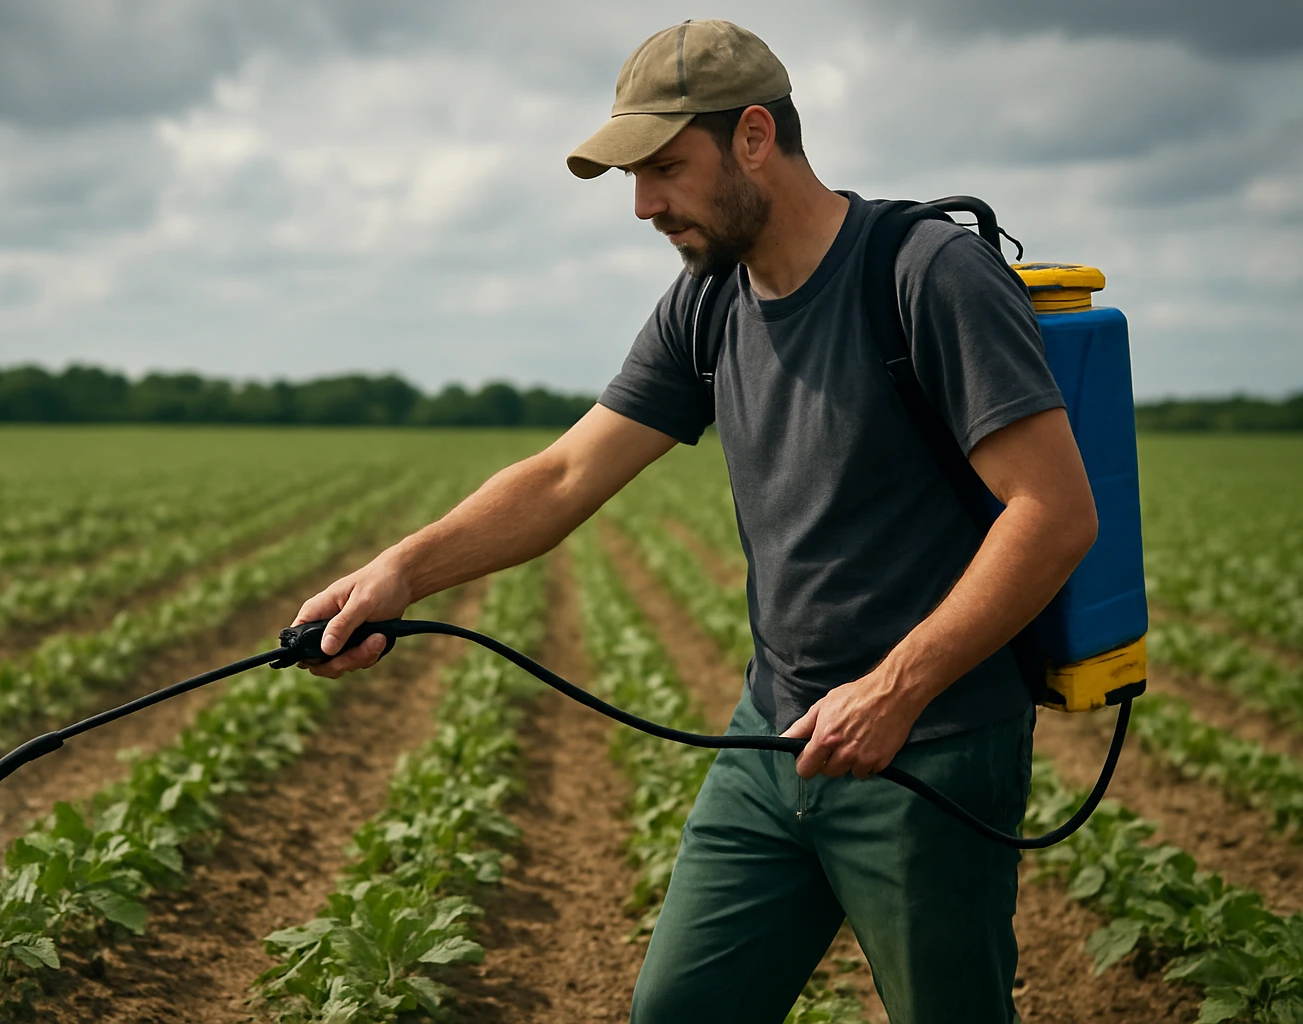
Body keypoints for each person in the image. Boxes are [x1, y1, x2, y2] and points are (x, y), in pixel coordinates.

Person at [287, 18, 1097, 1024]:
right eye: (635, 177)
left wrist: (893, 690)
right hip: (773, 738)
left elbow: (1053, 513)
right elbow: (564, 474)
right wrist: (401, 572)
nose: (644, 204)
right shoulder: (707, 302)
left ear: (754, 136)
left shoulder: (926, 275)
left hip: (930, 747)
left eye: (665, 168)